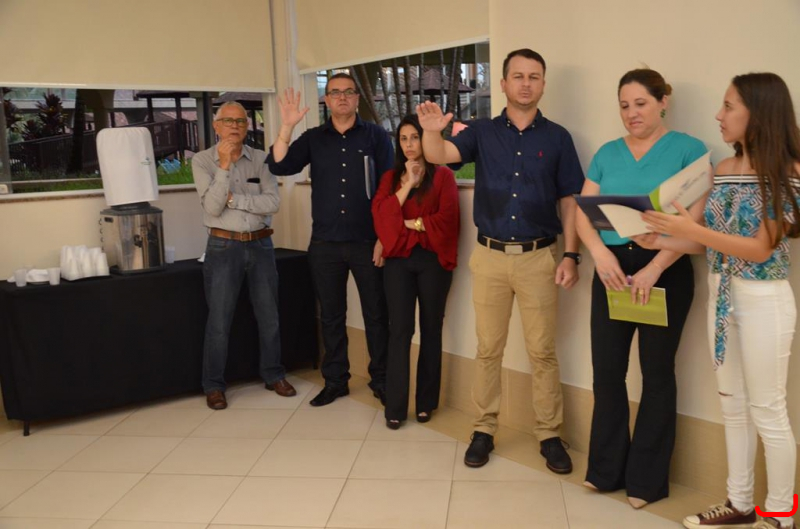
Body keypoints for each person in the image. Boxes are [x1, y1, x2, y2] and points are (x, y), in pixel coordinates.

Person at [639, 73, 799, 529]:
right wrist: (663, 238)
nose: (719, 115)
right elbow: (709, 242)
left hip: (763, 299)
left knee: (768, 410)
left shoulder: (788, 172)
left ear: (758, 112)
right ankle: (740, 503)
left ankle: (780, 515)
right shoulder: (725, 169)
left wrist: (690, 230)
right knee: (732, 403)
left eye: (728, 106)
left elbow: (760, 249)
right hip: (722, 297)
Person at [417, 49, 584, 473]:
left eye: (534, 76)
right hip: (490, 257)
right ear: (504, 83)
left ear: (543, 84)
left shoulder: (558, 138)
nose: (526, 83)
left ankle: (549, 434)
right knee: (488, 349)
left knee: (542, 352)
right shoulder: (481, 132)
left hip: (539, 258)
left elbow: (570, 200)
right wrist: (431, 132)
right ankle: (483, 429)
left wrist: (571, 254)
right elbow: (438, 156)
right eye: (518, 76)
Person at [575, 68, 708, 508]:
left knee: (657, 373)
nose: (631, 113)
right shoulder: (607, 153)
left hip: (665, 269)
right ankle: (605, 470)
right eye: (624, 105)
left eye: (641, 103)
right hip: (612, 271)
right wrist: (600, 254)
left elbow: (696, 222)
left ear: (663, 101)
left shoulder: (689, 150)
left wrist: (654, 267)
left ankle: (646, 483)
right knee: (607, 372)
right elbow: (582, 213)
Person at [267, 74, 393, 407]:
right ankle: (336, 381)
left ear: (357, 98)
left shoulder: (376, 136)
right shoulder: (314, 138)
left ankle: (381, 380)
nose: (342, 97)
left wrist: (384, 237)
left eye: (348, 92)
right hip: (325, 244)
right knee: (332, 316)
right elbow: (279, 165)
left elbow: (390, 189)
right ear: (327, 100)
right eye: (335, 92)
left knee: (376, 315)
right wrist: (286, 127)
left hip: (368, 242)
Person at [193, 101, 296, 410]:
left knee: (269, 316)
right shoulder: (202, 161)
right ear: (216, 126)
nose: (234, 126)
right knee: (219, 320)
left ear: (247, 126)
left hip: (261, 245)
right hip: (223, 247)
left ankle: (274, 374)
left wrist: (234, 199)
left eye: (240, 121)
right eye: (228, 121)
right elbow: (212, 207)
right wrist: (224, 166)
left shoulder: (262, 159)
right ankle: (213, 385)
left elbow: (273, 203)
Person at [372, 114, 460, 429]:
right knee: (400, 331)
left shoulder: (443, 177)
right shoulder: (390, 178)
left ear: (426, 139)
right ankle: (395, 406)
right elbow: (382, 218)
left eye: (415, 137)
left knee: (431, 330)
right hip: (398, 262)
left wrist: (407, 223)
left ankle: (426, 402)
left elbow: (447, 221)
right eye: (404, 138)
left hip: (434, 261)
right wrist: (407, 183)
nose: (409, 144)